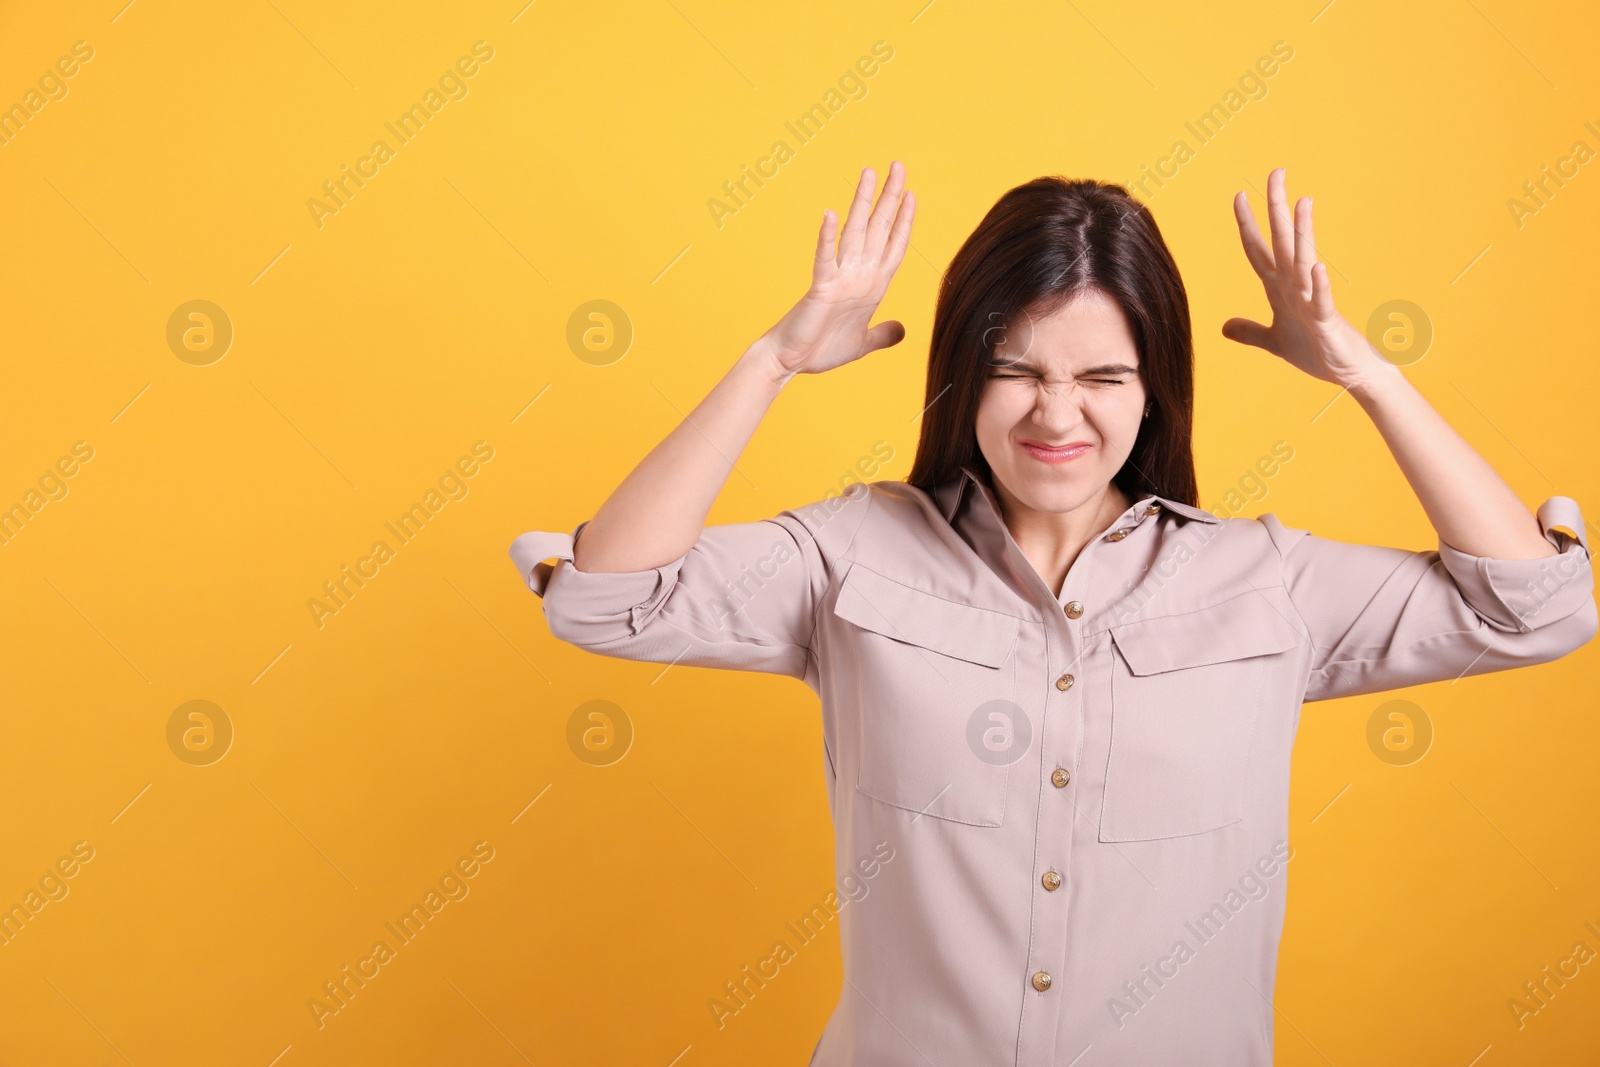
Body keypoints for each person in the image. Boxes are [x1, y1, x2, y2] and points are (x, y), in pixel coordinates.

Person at [507, 162, 1596, 1065]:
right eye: (1014, 369)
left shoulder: (1265, 582)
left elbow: (1537, 610)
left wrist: (1365, 373)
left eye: (1103, 376)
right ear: (960, 376)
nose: (1055, 413)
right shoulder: (851, 555)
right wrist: (774, 359)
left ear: (1154, 387)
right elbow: (608, 600)